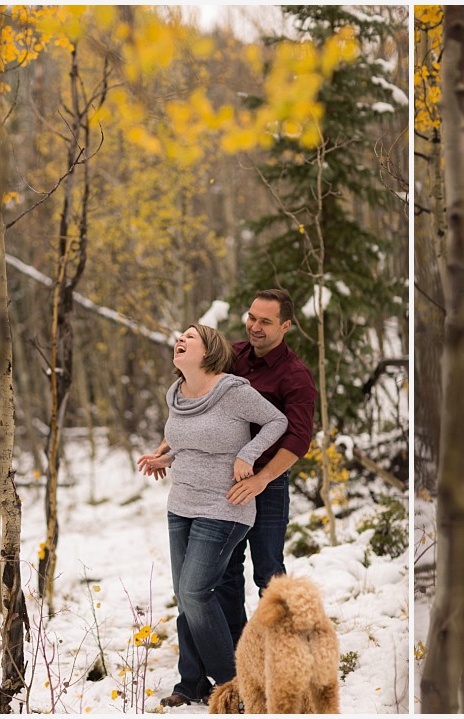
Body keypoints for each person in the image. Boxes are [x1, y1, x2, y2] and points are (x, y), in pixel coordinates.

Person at [141, 289, 317, 644]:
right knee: (224, 576)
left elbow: (297, 438)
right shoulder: (232, 355)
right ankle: (239, 658)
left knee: (267, 570)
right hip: (221, 486)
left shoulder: (295, 375)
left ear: (286, 326)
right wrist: (167, 449)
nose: (254, 326)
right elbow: (196, 402)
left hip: (266, 482)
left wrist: (262, 477)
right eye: (251, 317)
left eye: (265, 321)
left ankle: (288, 649)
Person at [137, 324, 288, 707]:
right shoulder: (176, 394)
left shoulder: (233, 391)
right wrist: (164, 458)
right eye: (179, 337)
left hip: (225, 506)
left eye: (190, 336)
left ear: (209, 351)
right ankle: (191, 683)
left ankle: (235, 686)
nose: (180, 340)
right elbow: (189, 445)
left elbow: (277, 422)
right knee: (187, 598)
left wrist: (247, 455)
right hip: (181, 505)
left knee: (195, 591)